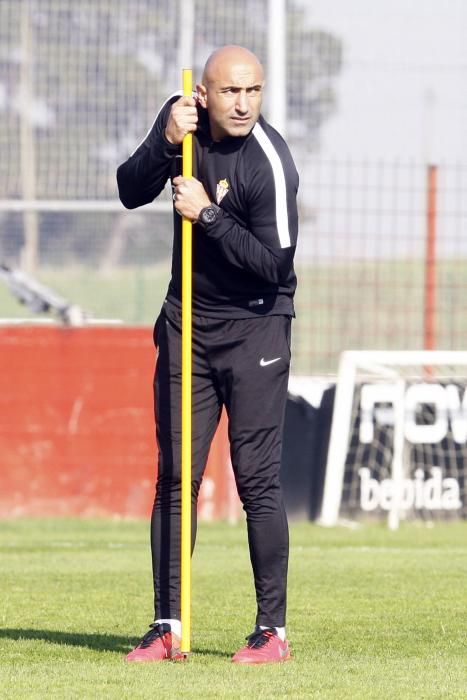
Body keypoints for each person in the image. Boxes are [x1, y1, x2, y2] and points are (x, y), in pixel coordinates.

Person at [117, 45, 299, 665]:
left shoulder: (269, 161)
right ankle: (167, 625)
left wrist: (209, 215)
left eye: (253, 91)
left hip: (256, 328)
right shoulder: (182, 125)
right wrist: (165, 140)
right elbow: (128, 189)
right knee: (175, 479)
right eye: (230, 92)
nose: (243, 104)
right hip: (186, 326)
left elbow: (276, 267)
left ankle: (271, 632)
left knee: (257, 482)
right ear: (205, 94)